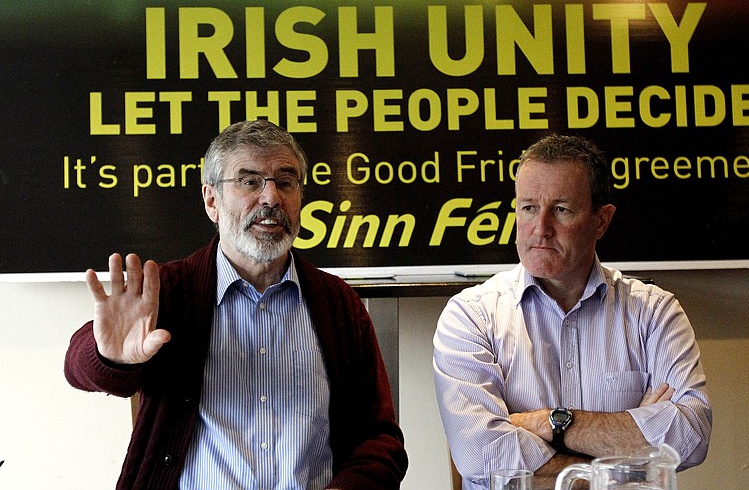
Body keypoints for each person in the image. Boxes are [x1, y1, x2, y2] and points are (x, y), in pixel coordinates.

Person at [64, 119, 407, 490]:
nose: (271, 198)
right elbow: (77, 368)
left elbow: (380, 440)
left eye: (286, 182)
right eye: (249, 181)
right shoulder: (168, 293)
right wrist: (109, 357)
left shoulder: (338, 303)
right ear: (212, 200)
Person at [433, 134, 712, 489]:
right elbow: (482, 455)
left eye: (561, 210)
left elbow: (690, 434)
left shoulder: (654, 313)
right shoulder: (470, 316)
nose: (540, 228)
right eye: (528, 207)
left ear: (601, 221)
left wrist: (549, 424)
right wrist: (622, 458)